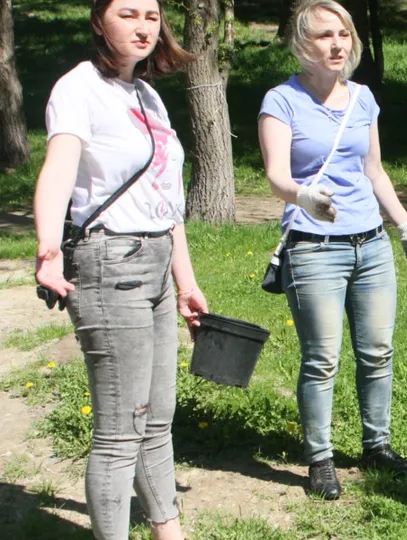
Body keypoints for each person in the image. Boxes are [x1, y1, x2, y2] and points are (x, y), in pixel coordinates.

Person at [33, 1, 205, 539]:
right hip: (110, 265)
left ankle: (167, 531)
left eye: (151, 16)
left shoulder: (148, 96)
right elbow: (59, 167)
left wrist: (186, 279)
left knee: (156, 417)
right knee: (119, 430)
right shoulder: (78, 88)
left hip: (154, 263)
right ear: (99, 21)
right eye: (127, 14)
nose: (142, 27)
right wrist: (47, 248)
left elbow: (166, 200)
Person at [257, 0, 407, 501]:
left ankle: (376, 446)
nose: (336, 44)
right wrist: (303, 197)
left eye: (343, 34)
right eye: (323, 36)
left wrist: (405, 226)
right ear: (301, 44)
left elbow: (373, 170)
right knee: (321, 359)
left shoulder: (362, 99)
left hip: (371, 246)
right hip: (314, 249)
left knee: (378, 352)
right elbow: (275, 176)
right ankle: (320, 459)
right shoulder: (281, 101)